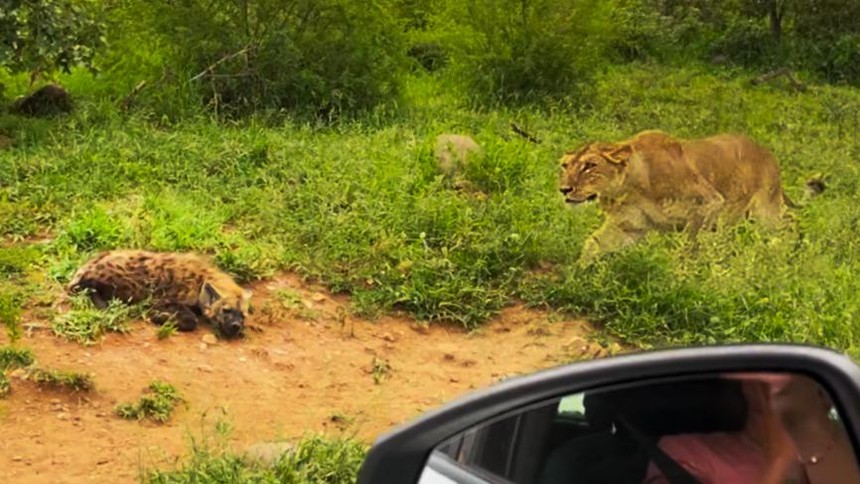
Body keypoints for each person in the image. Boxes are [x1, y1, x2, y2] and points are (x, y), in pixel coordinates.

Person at [642, 372, 860, 484]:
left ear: (823, 399)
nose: (766, 391)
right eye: (758, 379)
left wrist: (807, 430)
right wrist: (780, 459)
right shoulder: (685, 452)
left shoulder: (842, 446)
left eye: (788, 387)